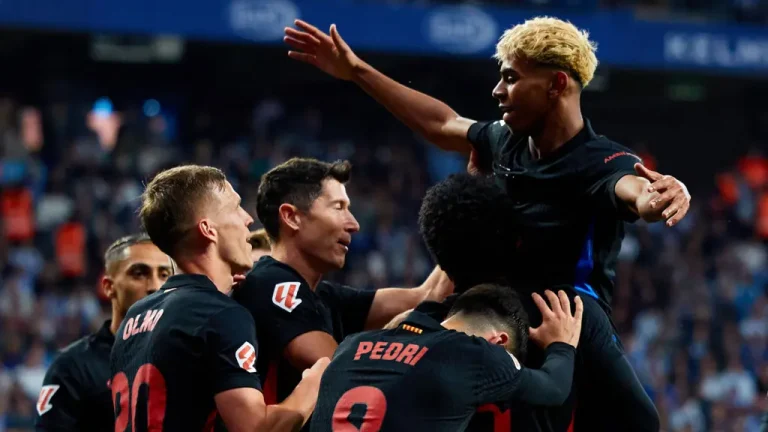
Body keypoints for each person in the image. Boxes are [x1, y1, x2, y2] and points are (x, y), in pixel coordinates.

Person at [283, 16, 691, 310]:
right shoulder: (503, 138)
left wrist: (661, 196)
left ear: (556, 85)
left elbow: (637, 191)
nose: (497, 90)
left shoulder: (603, 160)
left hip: (573, 334)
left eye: (511, 78)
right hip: (494, 319)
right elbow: (442, 123)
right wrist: (356, 71)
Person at [415, 173, 660, 431]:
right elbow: (642, 422)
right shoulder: (569, 311)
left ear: (440, 262)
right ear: (515, 240)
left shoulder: (421, 328)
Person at [111, 165, 328, 432]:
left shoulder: (134, 317)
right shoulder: (219, 314)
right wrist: (316, 381)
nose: (248, 218)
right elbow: (256, 429)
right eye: (235, 208)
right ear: (208, 229)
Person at [233, 158, 453, 411]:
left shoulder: (322, 295)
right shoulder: (270, 284)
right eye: (338, 208)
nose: (354, 224)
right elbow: (340, 370)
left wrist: (468, 216)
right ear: (291, 217)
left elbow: (428, 296)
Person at [311, 284, 582, 432]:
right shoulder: (475, 354)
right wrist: (561, 344)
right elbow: (554, 387)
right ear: (499, 343)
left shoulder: (350, 345)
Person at [35, 234, 172, 432]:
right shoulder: (73, 367)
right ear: (108, 287)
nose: (154, 287)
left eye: (164, 275)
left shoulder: (192, 359)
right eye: (139, 274)